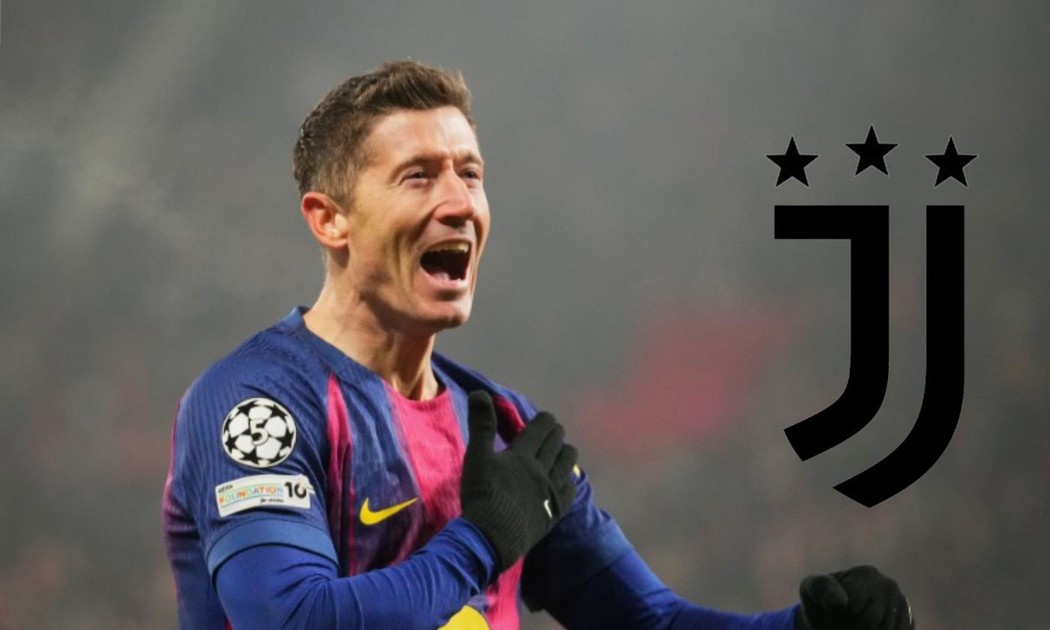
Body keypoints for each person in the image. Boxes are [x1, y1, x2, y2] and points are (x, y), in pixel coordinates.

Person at [161, 60, 913, 630]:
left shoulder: (503, 431)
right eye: (418, 177)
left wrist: (804, 628)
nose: (458, 202)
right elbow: (290, 619)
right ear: (330, 219)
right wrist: (484, 540)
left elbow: (649, 623)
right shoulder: (258, 404)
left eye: (470, 174)